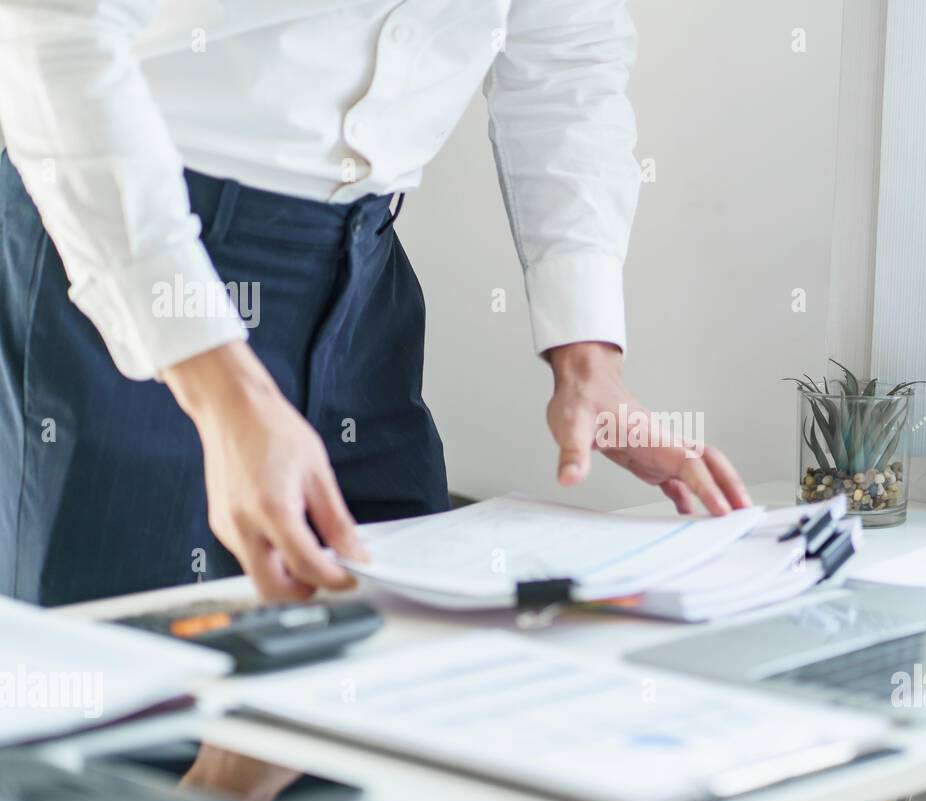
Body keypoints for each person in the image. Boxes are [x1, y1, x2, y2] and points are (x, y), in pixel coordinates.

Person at [0, 0, 750, 606]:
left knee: (401, 662)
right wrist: (222, 391)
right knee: (128, 708)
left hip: (362, 275)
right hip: (132, 252)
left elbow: (567, 53)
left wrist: (588, 360)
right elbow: (53, 35)